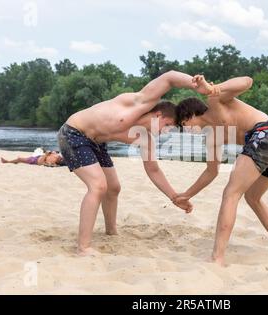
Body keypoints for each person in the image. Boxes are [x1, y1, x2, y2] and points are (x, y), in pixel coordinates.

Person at [58, 71, 213, 256]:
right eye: (167, 126)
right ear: (158, 115)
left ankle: (111, 231)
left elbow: (153, 170)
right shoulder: (137, 104)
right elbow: (169, 77)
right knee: (98, 186)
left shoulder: (146, 139)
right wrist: (199, 85)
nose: (165, 132)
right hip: (73, 133)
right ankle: (83, 247)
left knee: (113, 188)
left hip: (96, 143)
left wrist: (174, 197)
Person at [174, 75, 268, 267]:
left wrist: (213, 89)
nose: (185, 131)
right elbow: (211, 172)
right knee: (253, 198)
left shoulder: (215, 101)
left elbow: (247, 81)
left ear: (189, 115)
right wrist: (186, 195)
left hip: (266, 134)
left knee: (231, 193)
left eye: (183, 126)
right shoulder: (212, 137)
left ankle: (218, 257)